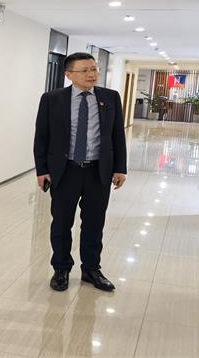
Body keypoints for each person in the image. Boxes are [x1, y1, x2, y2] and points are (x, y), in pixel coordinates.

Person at [33, 52, 127, 293]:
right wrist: (42, 170)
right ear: (69, 74)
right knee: (61, 223)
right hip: (66, 171)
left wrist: (120, 168)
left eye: (94, 69)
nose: (91, 74)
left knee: (94, 224)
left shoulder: (110, 98)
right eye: (85, 70)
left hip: (98, 171)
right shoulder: (52, 99)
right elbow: (41, 136)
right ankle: (61, 268)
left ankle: (91, 269)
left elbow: (117, 135)